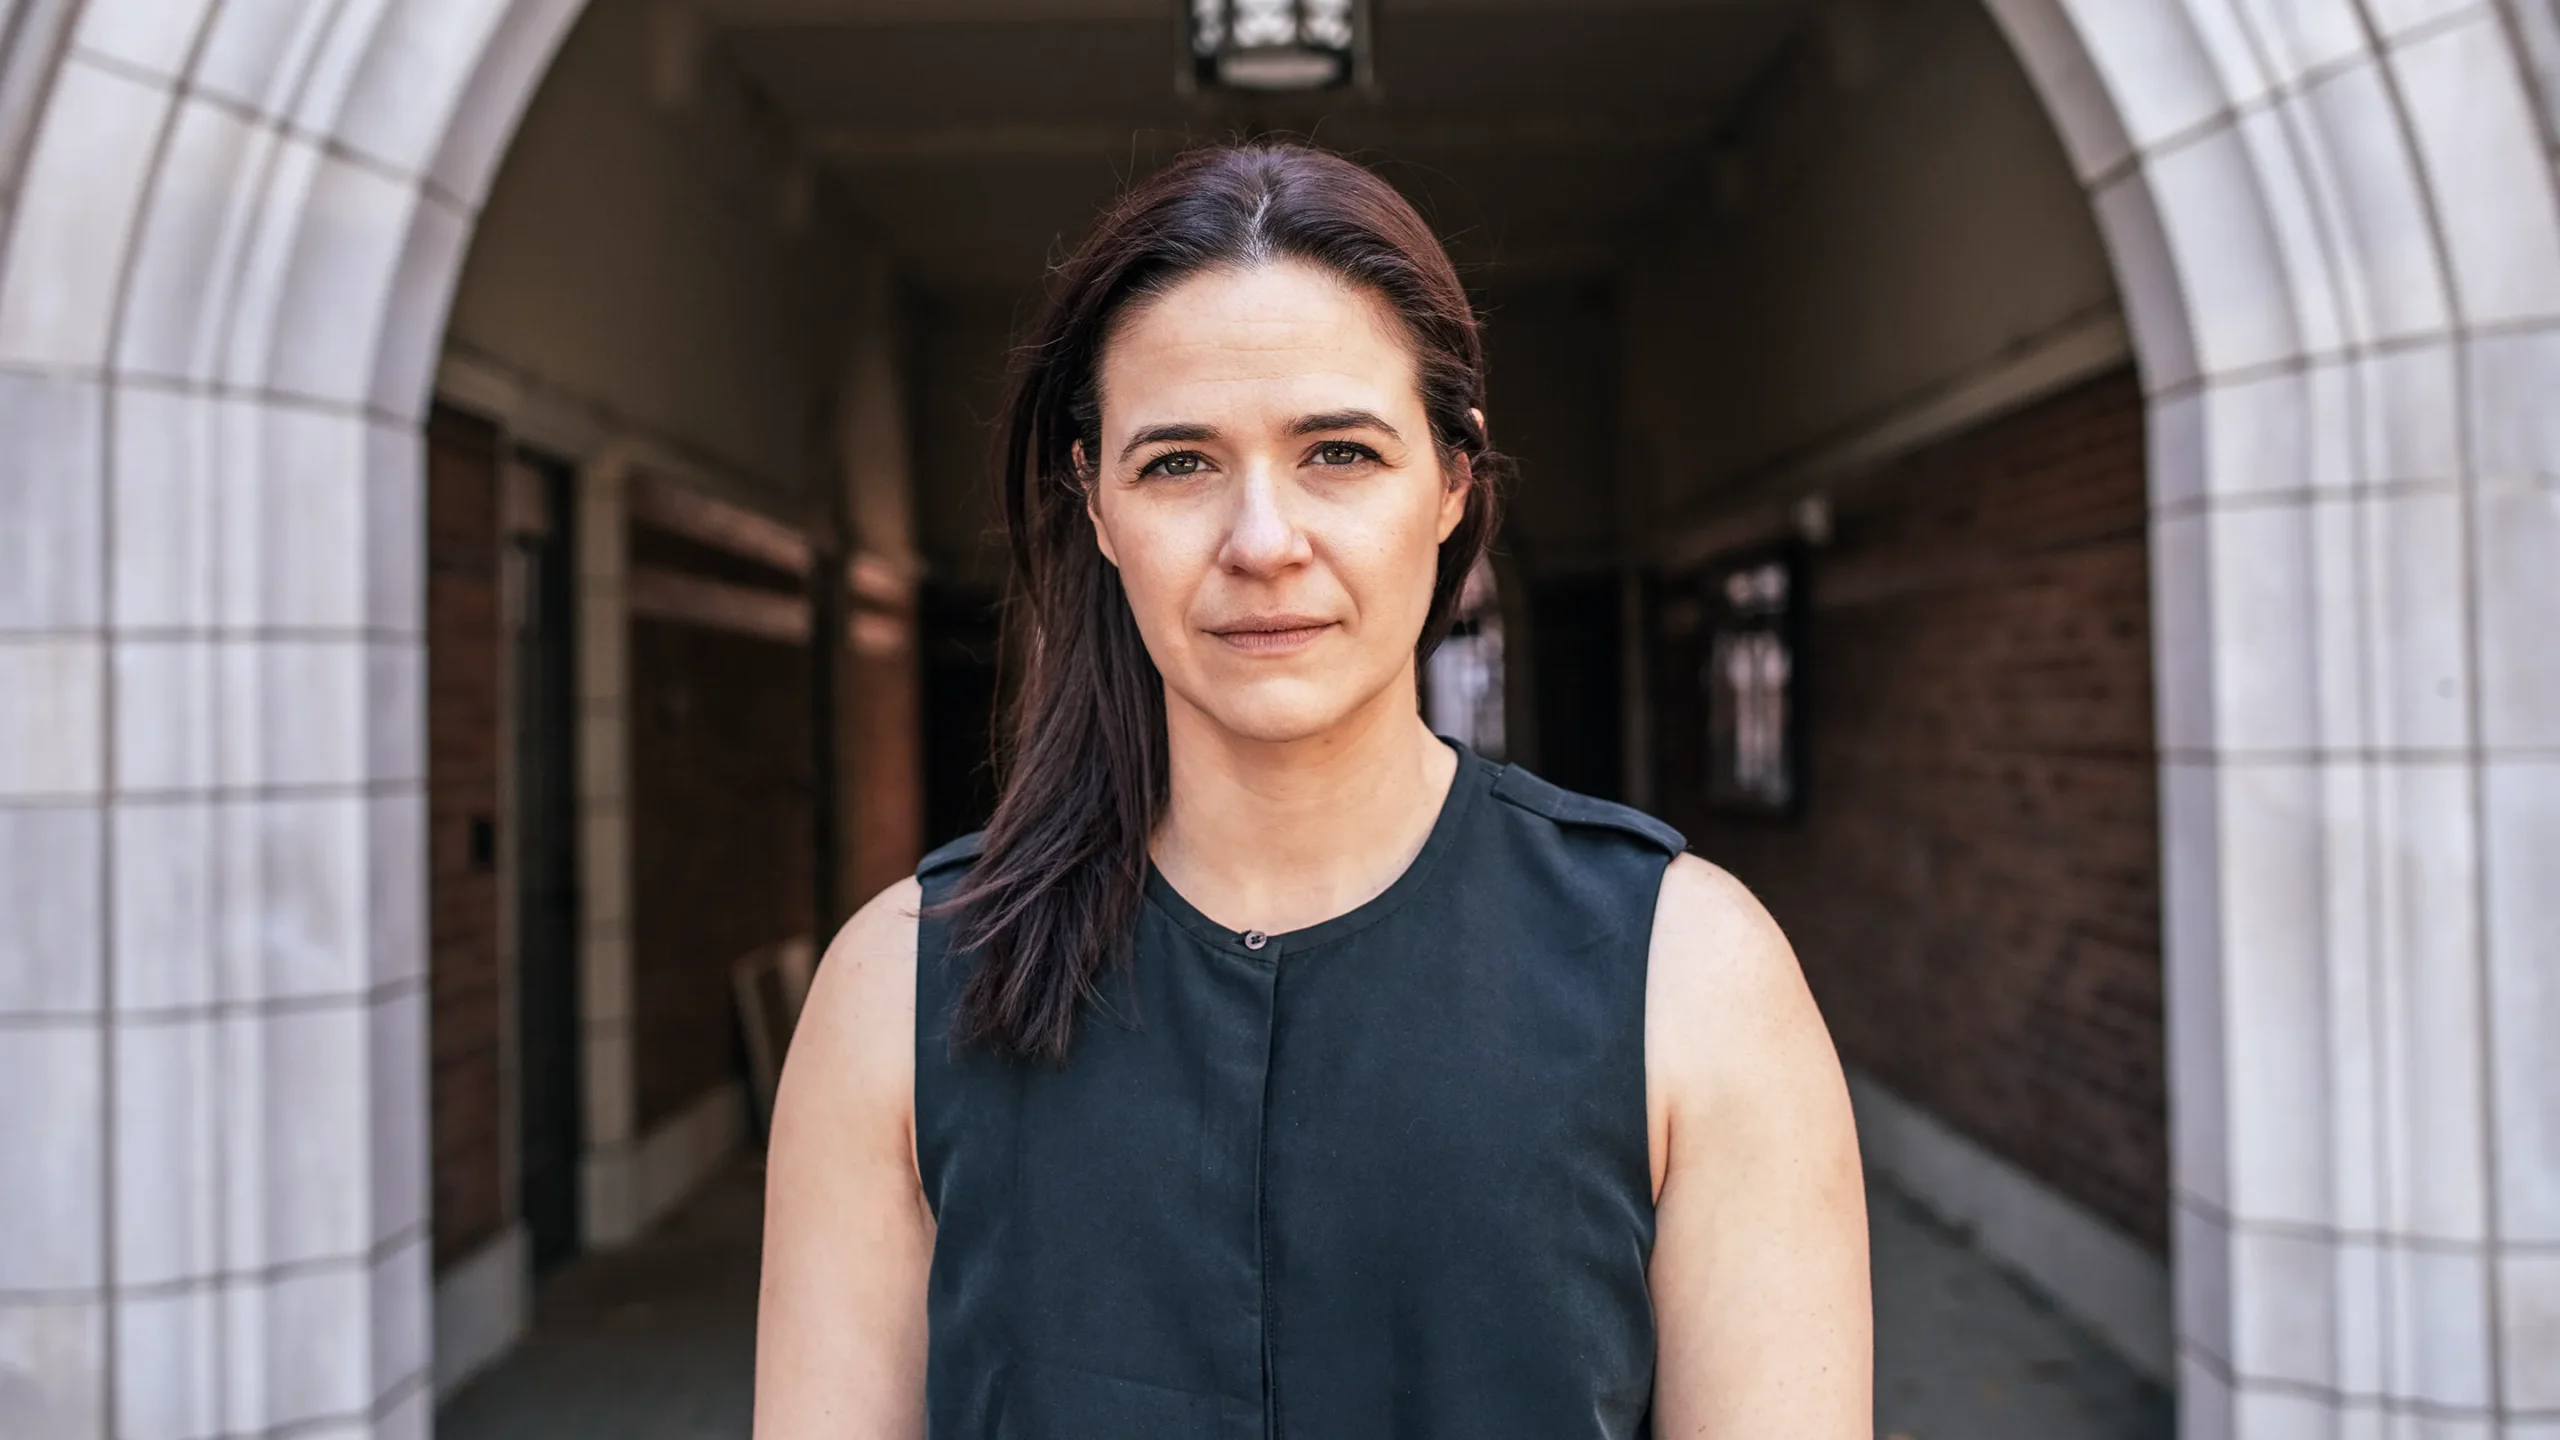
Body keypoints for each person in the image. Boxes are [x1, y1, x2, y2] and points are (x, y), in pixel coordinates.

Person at [755, 141, 1870, 1438]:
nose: (1263, 541)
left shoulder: (1691, 976)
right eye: (1179, 463)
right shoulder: (899, 987)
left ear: (1455, 479)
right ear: (1096, 504)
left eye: (1338, 452)